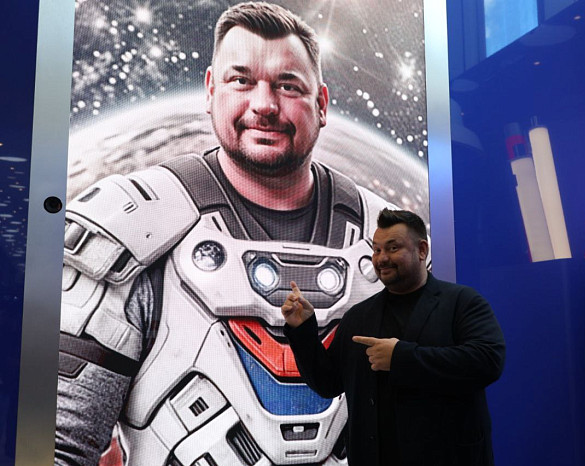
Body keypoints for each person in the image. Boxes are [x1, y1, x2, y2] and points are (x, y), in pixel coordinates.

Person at [55, 3, 393, 465]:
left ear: (321, 104)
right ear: (211, 90)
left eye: (288, 85)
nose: (265, 105)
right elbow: (62, 444)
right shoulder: (131, 228)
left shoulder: (383, 238)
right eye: (242, 81)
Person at [282, 208, 506, 466]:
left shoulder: (462, 302)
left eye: (392, 248)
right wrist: (303, 331)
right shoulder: (358, 316)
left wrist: (400, 358)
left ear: (422, 250)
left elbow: (487, 361)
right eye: (376, 250)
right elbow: (327, 383)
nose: (382, 258)